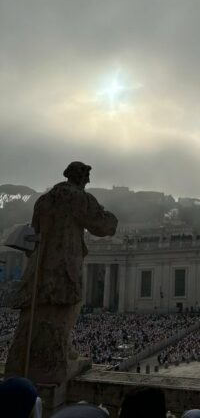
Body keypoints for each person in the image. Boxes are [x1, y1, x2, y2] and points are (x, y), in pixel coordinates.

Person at [6, 162, 118, 384]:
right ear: (81, 178)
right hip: (64, 262)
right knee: (68, 307)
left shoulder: (43, 200)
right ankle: (56, 360)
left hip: (39, 264)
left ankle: (21, 362)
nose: (89, 182)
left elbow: (34, 231)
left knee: (34, 312)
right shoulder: (79, 198)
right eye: (87, 178)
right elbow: (105, 226)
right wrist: (110, 215)